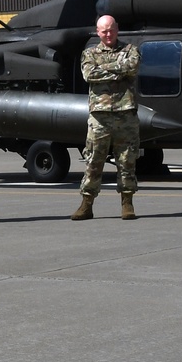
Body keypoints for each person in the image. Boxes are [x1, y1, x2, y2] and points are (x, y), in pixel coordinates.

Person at [71, 15, 141, 221]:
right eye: (104, 31)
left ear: (117, 29)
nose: (108, 34)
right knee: (93, 160)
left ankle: (127, 203)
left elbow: (132, 67)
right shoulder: (89, 53)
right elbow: (89, 75)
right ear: (98, 32)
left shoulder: (130, 50)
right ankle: (86, 204)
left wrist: (105, 69)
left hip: (125, 114)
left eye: (111, 29)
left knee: (127, 160)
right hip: (99, 118)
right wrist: (119, 71)